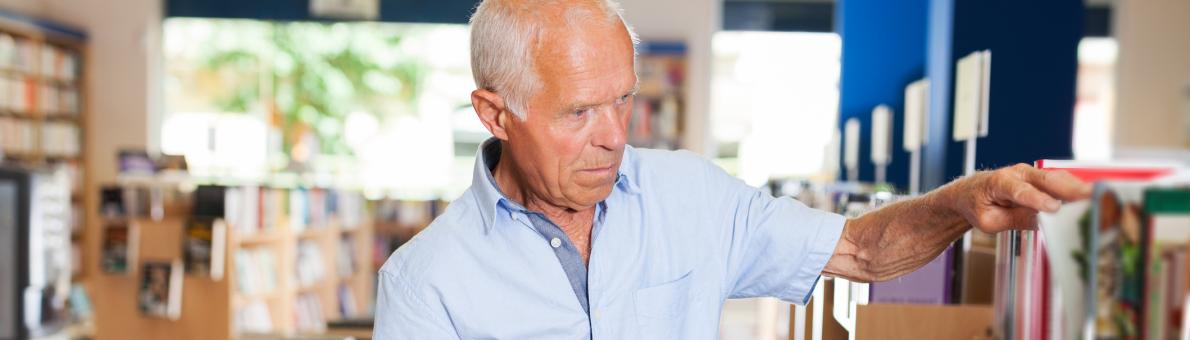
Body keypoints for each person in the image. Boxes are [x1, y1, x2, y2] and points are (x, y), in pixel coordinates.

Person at [373, 0, 1091, 338]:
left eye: (624, 101)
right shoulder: (424, 285)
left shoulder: (689, 194)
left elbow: (864, 251)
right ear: (495, 115)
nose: (615, 136)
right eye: (579, 113)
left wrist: (964, 202)